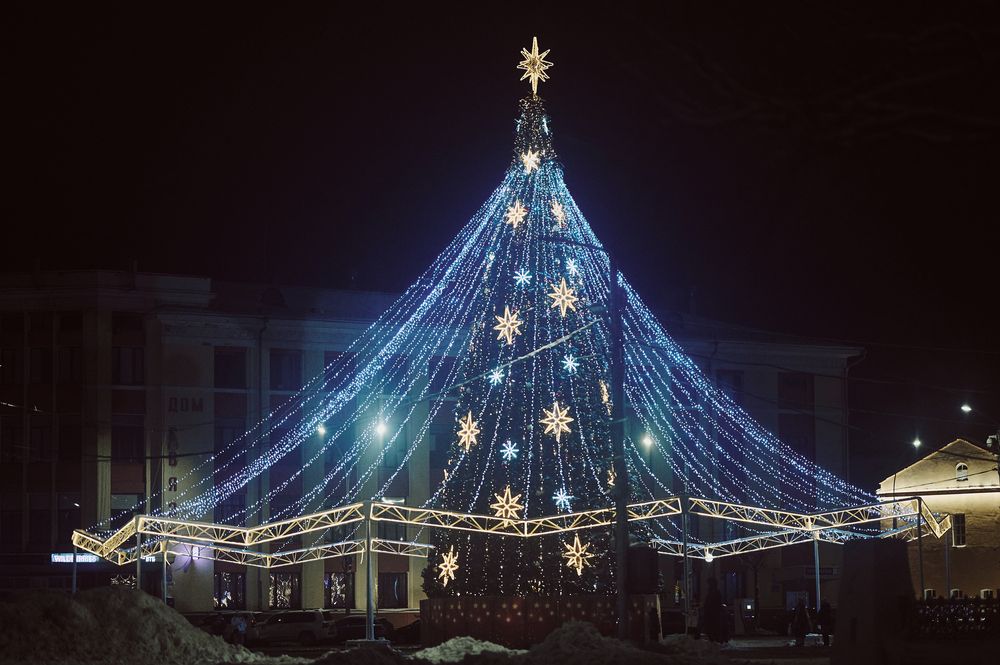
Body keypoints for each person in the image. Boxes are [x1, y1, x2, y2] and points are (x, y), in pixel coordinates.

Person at [700, 577, 725, 642]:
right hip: (713, 613)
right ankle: (715, 640)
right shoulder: (715, 592)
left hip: (712, 613)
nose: (707, 585)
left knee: (711, 627)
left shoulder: (713, 592)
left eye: (709, 584)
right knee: (712, 628)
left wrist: (706, 607)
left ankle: (715, 640)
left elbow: (711, 603)